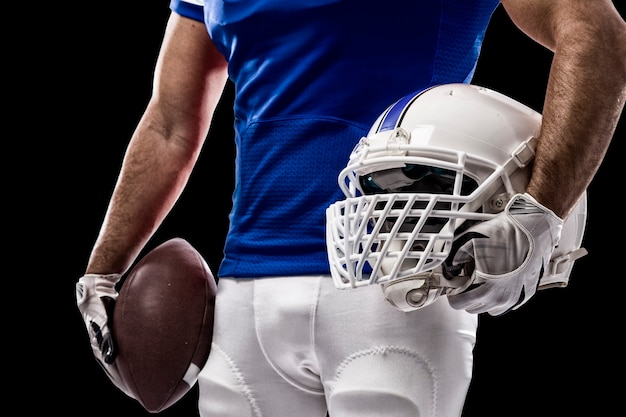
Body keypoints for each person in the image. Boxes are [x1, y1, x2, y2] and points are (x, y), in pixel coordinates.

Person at [76, 0, 626, 416]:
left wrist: (539, 212)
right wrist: (102, 271)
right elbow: (171, 123)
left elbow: (595, 34)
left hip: (396, 279)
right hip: (241, 301)